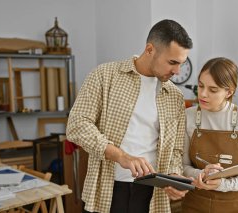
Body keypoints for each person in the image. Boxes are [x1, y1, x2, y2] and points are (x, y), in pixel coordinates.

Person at [66, 19, 193, 213]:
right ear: (150, 49)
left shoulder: (174, 96)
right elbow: (77, 125)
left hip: (152, 194)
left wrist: (173, 176)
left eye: (181, 64)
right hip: (108, 189)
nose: (177, 71)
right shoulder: (104, 76)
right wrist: (121, 156)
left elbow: (175, 149)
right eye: (172, 62)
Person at [182, 57, 238, 213]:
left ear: (229, 92)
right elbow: (183, 165)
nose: (203, 94)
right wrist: (202, 174)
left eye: (213, 90)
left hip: (237, 204)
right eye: (200, 86)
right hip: (196, 203)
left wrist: (224, 184)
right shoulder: (188, 116)